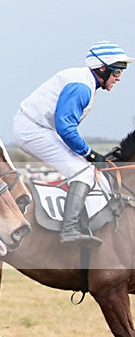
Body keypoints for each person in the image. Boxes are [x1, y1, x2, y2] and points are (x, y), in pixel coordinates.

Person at [13, 41, 134, 246]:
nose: (119, 77)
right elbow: (65, 128)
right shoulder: (81, 87)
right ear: (102, 68)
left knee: (88, 170)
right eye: (117, 72)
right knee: (84, 172)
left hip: (41, 129)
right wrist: (91, 154)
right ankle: (69, 230)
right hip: (33, 130)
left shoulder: (85, 81)